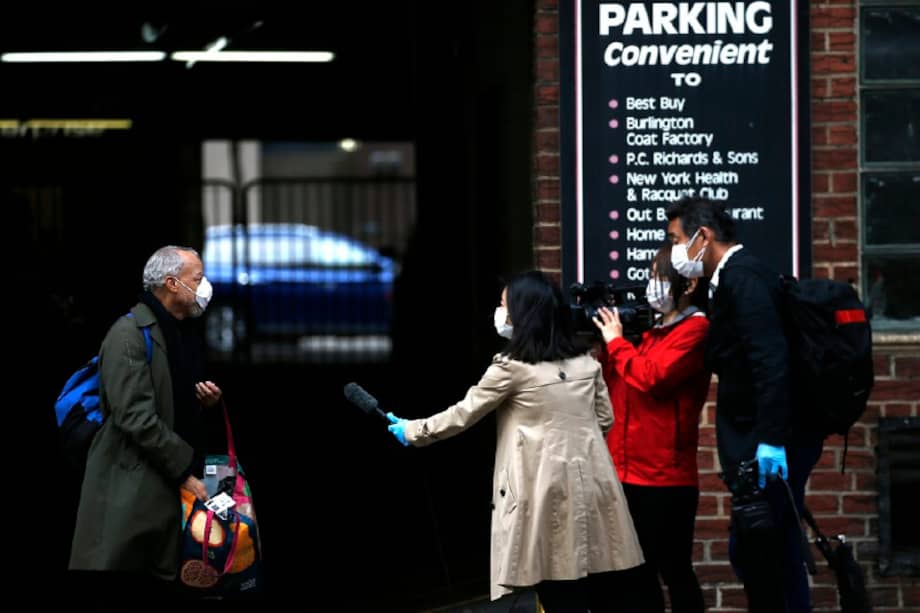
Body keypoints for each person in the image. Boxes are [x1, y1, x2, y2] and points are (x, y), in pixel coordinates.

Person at [386, 271, 644, 612]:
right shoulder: (586, 362)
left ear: (522, 315)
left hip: (540, 490)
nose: (499, 312)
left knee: (553, 584)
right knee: (585, 581)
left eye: (504, 305)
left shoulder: (511, 368)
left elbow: (464, 414)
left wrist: (413, 430)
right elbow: (604, 421)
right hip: (591, 487)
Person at [665, 197, 824, 612]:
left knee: (767, 551)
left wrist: (770, 440)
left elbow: (771, 362)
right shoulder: (727, 281)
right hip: (757, 439)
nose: (675, 252)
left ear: (704, 237)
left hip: (769, 442)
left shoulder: (744, 279)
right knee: (761, 550)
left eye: (677, 240)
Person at [69, 245, 223, 608]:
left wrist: (205, 404)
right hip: (137, 495)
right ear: (172, 283)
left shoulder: (181, 332)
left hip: (168, 489)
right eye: (197, 279)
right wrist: (185, 472)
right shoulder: (128, 334)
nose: (205, 286)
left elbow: (172, 403)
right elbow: (134, 416)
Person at [592, 242, 710, 613]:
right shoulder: (649, 332)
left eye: (659, 278)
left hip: (665, 478)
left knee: (674, 570)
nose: (651, 287)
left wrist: (617, 344)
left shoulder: (696, 330)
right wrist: (607, 347)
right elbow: (618, 388)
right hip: (625, 471)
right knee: (635, 573)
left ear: (687, 286)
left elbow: (653, 378)